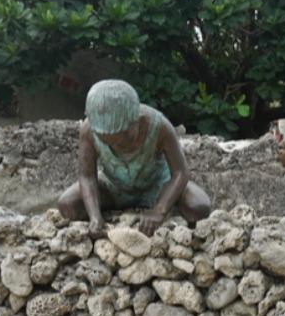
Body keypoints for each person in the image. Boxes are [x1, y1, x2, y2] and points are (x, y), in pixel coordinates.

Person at [58, 79, 212, 236]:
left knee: (199, 206)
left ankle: (168, 206)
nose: (119, 146)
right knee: (67, 205)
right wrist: (95, 217)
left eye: (124, 138)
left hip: (157, 185)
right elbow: (86, 175)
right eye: (108, 141)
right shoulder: (88, 130)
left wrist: (159, 211)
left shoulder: (160, 126)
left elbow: (180, 172)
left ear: (137, 120)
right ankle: (112, 209)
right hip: (114, 186)